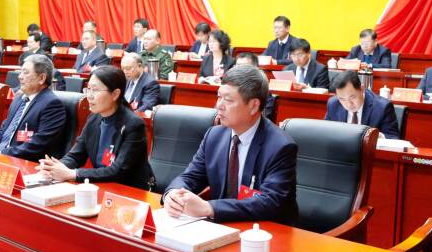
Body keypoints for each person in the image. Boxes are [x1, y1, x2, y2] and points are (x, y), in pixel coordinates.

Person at [163, 65, 298, 223]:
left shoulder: (281, 146)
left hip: (264, 228)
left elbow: (269, 202)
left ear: (254, 106)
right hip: (222, 224)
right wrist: (172, 194)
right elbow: (191, 176)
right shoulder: (214, 135)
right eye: (219, 97)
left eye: (227, 100)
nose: (218, 105)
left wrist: (209, 208)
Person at [38, 66, 154, 190]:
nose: (89, 96)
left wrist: (73, 174)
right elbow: (76, 155)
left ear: (115, 94)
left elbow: (119, 170)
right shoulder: (94, 118)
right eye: (88, 89)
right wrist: (55, 167)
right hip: (103, 186)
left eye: (95, 90)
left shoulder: (134, 124)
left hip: (130, 190)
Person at [0, 54, 67, 160]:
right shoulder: (19, 99)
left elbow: (38, 144)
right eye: (21, 72)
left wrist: (2, 153)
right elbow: (3, 130)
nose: (20, 76)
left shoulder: (52, 105)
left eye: (26, 72)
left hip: (22, 161)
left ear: (41, 78)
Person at [324, 70, 400, 138]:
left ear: (362, 89)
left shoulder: (382, 107)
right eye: (342, 99)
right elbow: (325, 131)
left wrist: (378, 137)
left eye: (352, 97)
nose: (349, 104)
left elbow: (393, 137)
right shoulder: (333, 104)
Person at [236, 53, 277, 123]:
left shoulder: (262, 87)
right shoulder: (230, 84)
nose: (239, 69)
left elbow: (266, 114)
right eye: (237, 66)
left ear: (255, 68)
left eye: (243, 66)